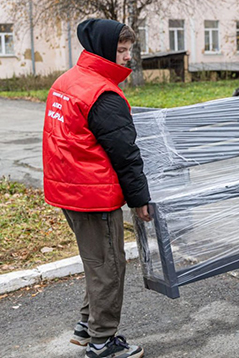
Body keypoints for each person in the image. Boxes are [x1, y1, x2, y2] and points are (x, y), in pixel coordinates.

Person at [43, 18, 151, 358]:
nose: (127, 57)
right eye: (121, 50)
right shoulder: (103, 95)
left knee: (96, 261)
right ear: (104, 49)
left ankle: (85, 326)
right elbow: (126, 154)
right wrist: (140, 199)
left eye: (129, 49)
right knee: (109, 267)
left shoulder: (67, 81)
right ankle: (102, 342)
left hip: (68, 191)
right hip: (93, 196)